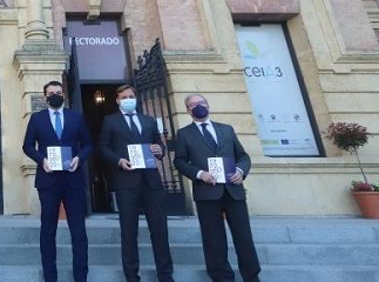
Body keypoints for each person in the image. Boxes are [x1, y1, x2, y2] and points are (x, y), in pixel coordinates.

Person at [173, 94, 261, 282]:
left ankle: (252, 276)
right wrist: (199, 174)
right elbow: (179, 161)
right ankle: (221, 277)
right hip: (207, 193)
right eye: (193, 105)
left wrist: (240, 171)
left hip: (233, 190)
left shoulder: (226, 130)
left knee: (244, 237)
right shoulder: (184, 134)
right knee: (214, 241)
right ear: (187, 110)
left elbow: (243, 156)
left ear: (208, 105)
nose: (198, 107)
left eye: (201, 103)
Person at [98, 84, 174, 282]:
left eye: (131, 96)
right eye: (124, 97)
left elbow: (159, 144)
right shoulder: (110, 121)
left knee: (159, 230)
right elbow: (103, 147)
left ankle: (165, 275)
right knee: (129, 232)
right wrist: (118, 160)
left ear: (136, 98)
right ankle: (132, 275)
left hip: (151, 182)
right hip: (126, 181)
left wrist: (160, 151)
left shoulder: (148, 120)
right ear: (117, 100)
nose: (128, 99)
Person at [22, 81, 93, 282]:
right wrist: (41, 160)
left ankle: (81, 276)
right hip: (48, 180)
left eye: (59, 92)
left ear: (64, 95)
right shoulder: (37, 119)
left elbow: (88, 144)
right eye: (51, 93)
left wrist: (80, 158)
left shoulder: (76, 117)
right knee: (48, 231)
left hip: (73, 179)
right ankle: (50, 276)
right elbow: (27, 145)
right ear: (45, 97)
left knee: (78, 231)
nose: (56, 95)